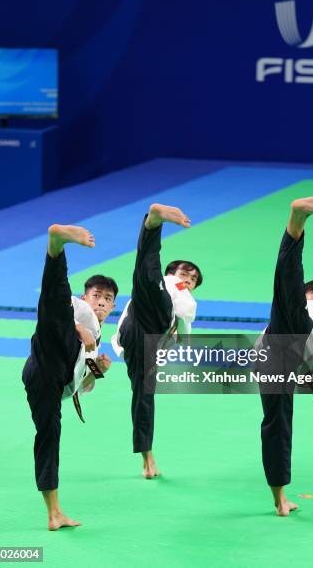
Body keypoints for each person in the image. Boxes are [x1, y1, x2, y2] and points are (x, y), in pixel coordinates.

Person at [22, 224, 118, 530]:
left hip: (51, 380)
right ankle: (56, 247)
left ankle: (54, 513)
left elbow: (79, 386)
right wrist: (78, 328)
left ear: (113, 306)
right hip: (47, 357)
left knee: (49, 438)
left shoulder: (99, 336)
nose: (101, 301)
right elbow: (59, 310)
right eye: (97, 295)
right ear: (86, 296)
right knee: (55, 302)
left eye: (108, 298)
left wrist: (97, 372)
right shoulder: (78, 307)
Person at [112, 203, 203, 478]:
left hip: (147, 336)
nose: (189, 279)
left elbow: (184, 333)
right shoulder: (171, 284)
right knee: (147, 270)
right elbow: (128, 317)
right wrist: (122, 343)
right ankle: (153, 222)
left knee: (144, 395)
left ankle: (147, 456)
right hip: (141, 321)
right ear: (173, 272)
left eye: (194, 279)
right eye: (184, 273)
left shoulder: (187, 302)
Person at [260, 196, 313, 516]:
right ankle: (297, 221)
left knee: (278, 425)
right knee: (286, 279)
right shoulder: (300, 303)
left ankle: (280, 498)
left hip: (285, 361)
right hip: (278, 342)